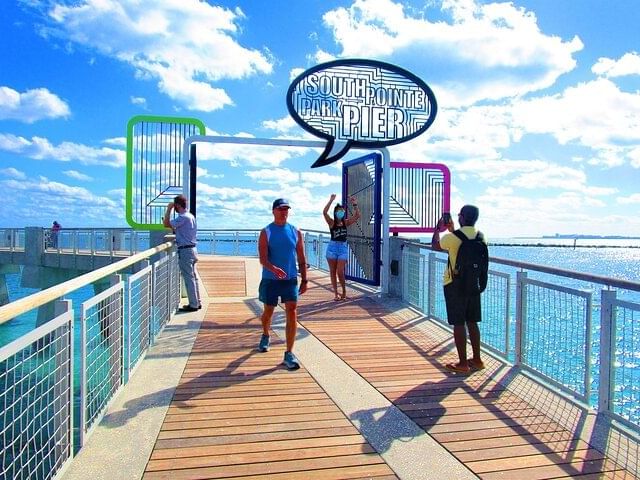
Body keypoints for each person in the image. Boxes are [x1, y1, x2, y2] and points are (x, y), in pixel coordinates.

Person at [431, 205, 486, 374]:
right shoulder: (481, 237)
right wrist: (453, 229)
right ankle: (477, 360)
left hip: (455, 284)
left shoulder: (452, 238)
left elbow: (436, 246)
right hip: (474, 284)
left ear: (462, 217)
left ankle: (462, 363)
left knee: (458, 323)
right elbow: (462, 242)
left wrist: (437, 229)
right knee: (472, 321)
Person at [257, 198, 308, 370]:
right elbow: (263, 259)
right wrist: (274, 269)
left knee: (292, 311)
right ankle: (265, 334)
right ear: (273, 211)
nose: (284, 212)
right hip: (271, 280)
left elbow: (301, 257)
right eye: (280, 209)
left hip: (290, 279)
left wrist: (305, 279)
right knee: (268, 312)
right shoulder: (266, 232)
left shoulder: (295, 231)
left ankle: (289, 353)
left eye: (286, 209)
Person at [163, 194, 201, 312]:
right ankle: (197, 302)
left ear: (177, 205)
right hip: (192, 249)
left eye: (174, 206)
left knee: (189, 278)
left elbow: (166, 224)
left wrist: (168, 209)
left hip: (185, 250)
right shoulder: (190, 216)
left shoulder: (183, 217)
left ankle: (193, 304)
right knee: (193, 278)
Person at [322, 194, 360, 301]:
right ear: (335, 212)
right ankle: (336, 294)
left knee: (340, 271)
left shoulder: (345, 222)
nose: (341, 212)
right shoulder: (331, 222)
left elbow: (357, 216)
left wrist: (354, 204)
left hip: (342, 248)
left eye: (342, 211)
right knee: (332, 272)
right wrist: (331, 201)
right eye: (339, 211)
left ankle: (343, 290)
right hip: (332, 248)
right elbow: (324, 212)